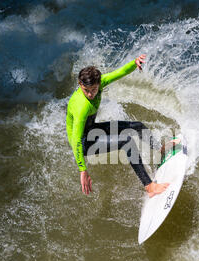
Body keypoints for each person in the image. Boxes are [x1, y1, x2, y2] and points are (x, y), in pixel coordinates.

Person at [66, 54, 171, 197]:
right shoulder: (81, 107)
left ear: (99, 83)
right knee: (126, 142)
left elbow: (119, 73)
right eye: (86, 90)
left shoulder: (100, 82)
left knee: (137, 126)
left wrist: (134, 63)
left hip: (91, 129)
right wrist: (82, 169)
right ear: (80, 84)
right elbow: (76, 140)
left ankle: (160, 150)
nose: (90, 94)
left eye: (94, 90)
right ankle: (149, 186)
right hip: (84, 142)